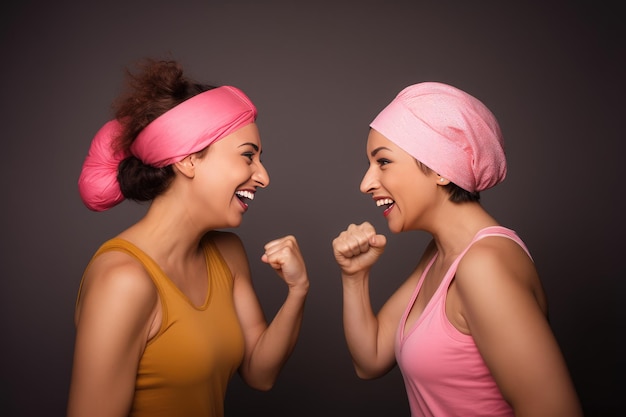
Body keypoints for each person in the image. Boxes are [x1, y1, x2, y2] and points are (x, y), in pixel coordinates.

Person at [67, 58, 310, 417]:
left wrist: (298, 290)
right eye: (248, 157)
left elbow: (260, 373)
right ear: (189, 160)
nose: (263, 176)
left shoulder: (228, 254)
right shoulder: (123, 280)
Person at [332, 82, 583, 417]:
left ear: (439, 169)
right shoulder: (441, 254)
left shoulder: (484, 265)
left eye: (383, 162)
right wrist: (355, 277)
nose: (366, 183)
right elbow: (371, 359)